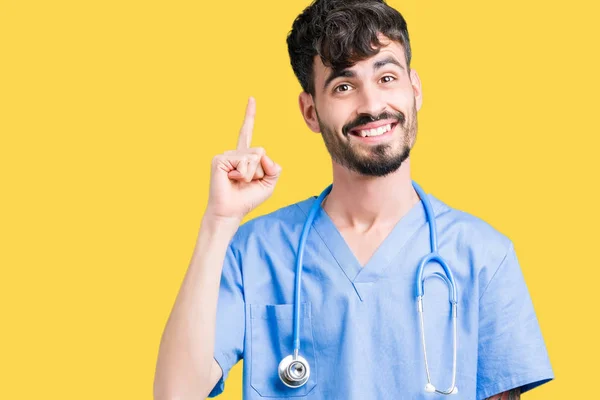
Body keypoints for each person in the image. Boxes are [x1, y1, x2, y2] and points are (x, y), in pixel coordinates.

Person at [153, 0, 554, 398]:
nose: (372, 105)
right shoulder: (256, 253)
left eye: (386, 78)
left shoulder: (484, 256)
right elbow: (174, 394)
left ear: (414, 89)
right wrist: (219, 221)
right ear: (311, 111)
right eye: (344, 86)